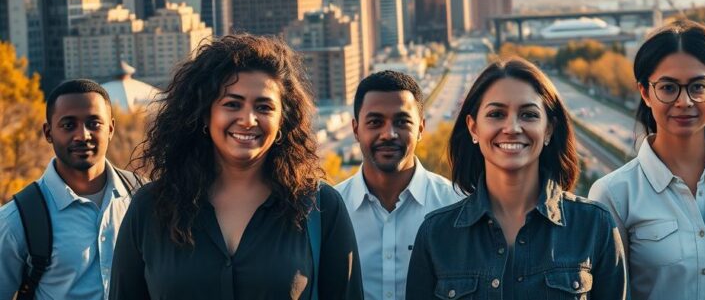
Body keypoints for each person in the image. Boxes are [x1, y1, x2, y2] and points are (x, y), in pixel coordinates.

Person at [110, 35, 363, 299]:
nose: (248, 119)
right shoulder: (149, 208)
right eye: (232, 104)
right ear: (205, 114)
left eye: (264, 107)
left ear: (282, 123)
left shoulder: (320, 207)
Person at [406, 57, 627, 300]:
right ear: (473, 128)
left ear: (549, 129)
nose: (512, 127)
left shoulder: (594, 226)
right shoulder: (436, 234)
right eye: (496, 114)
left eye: (529, 115)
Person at [589, 21, 705, 300]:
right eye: (668, 88)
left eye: (698, 86)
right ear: (645, 92)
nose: (684, 101)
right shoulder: (614, 194)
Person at [0, 79, 142, 300]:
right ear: (48, 133)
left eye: (94, 123)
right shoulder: (18, 219)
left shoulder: (143, 198)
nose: (82, 135)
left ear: (111, 128)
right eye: (68, 125)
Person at [336, 70, 462, 300]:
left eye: (402, 122)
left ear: (421, 128)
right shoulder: (329, 210)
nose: (389, 134)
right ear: (356, 129)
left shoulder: (457, 207)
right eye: (375, 122)